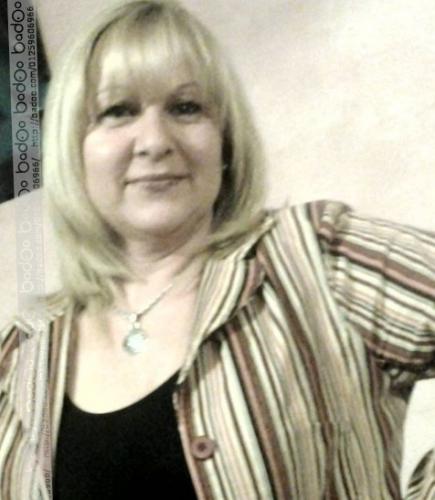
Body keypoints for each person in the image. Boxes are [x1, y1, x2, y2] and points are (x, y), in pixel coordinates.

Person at [0, 1, 434, 498]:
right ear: (72, 149)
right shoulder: (22, 357)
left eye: (186, 108)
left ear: (224, 142)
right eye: (118, 111)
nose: (155, 141)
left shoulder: (317, 259)